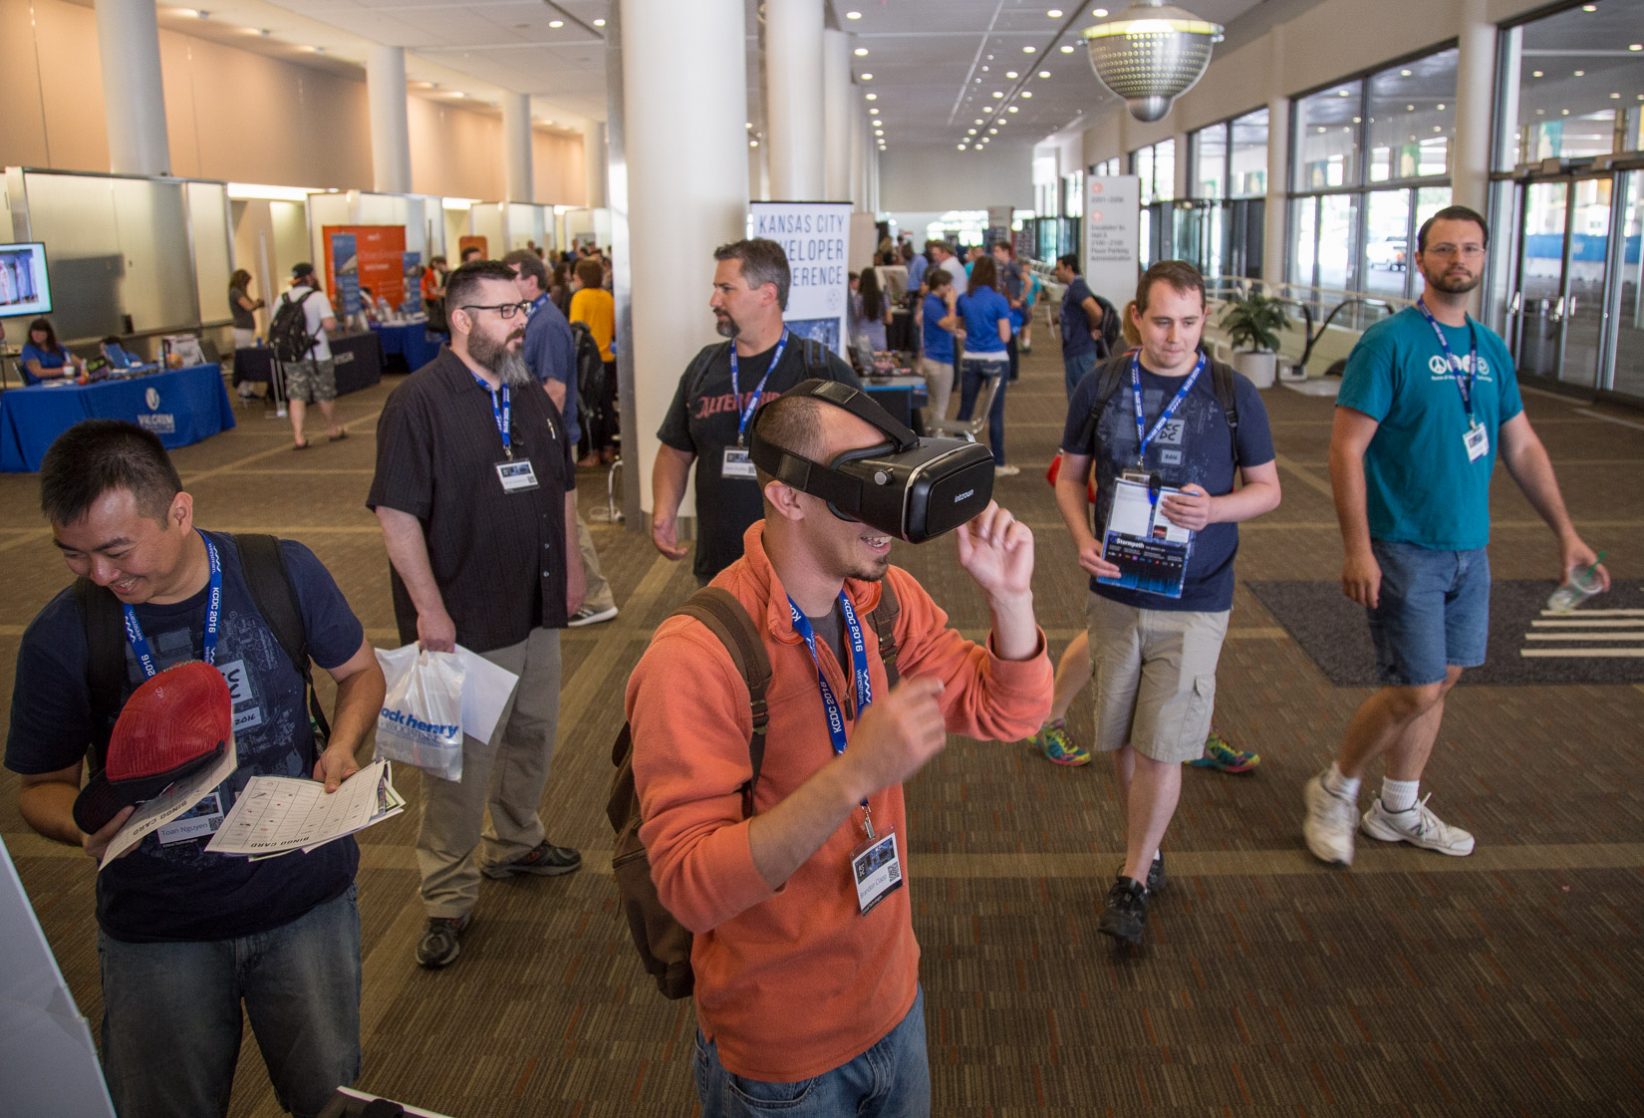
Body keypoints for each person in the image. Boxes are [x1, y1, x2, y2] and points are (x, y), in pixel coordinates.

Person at [627, 389, 1053, 1117]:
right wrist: (853, 773)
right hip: (781, 1055)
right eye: (862, 490)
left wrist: (1011, 599)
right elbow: (690, 885)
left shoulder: (882, 601)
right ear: (787, 497)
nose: (886, 518)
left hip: (893, 1000)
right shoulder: (696, 658)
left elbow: (1008, 711)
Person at [5, 419, 385, 1118]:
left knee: (327, 1096)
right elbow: (39, 789)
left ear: (179, 512)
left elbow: (359, 672)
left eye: (116, 551)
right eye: (74, 555)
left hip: (303, 904)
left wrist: (342, 744)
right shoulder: (63, 634)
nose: (100, 575)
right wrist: (81, 828)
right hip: (160, 927)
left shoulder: (278, 570)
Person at [1302, 206, 1608, 867]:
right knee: (1416, 687)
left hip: (1470, 548)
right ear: (1419, 259)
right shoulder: (1389, 343)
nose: (1458, 260)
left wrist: (1567, 534)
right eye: (1444, 249)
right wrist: (1357, 548)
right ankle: (1335, 787)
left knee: (1442, 677)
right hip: (1403, 545)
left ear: (1484, 258)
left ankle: (1397, 808)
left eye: (1470, 248)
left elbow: (1521, 446)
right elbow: (1345, 450)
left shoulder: (1489, 348)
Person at [1054, 260, 1281, 948]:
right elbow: (1069, 477)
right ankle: (1146, 851)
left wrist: (1215, 509)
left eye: (1188, 322)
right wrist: (1082, 537)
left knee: (1162, 746)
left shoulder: (1232, 394)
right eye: (1161, 321)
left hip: (1196, 596)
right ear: (1135, 317)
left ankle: (1131, 880)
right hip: (1117, 588)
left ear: (1205, 318)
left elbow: (1268, 489)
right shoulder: (1102, 385)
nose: (1175, 336)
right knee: (1125, 737)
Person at [368, 260, 587, 969]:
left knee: (533, 733)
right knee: (459, 767)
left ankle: (517, 840)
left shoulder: (527, 393)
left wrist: (573, 570)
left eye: (523, 309)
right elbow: (397, 514)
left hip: (536, 606)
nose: (522, 322)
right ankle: (447, 897)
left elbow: (562, 488)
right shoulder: (417, 403)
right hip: (463, 618)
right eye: (505, 312)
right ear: (462, 320)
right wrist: (429, 610)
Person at [651, 238, 860, 584]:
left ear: (767, 294)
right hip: (719, 568)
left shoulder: (820, 371)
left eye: (726, 289)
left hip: (802, 574)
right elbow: (675, 449)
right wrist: (664, 510)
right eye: (716, 288)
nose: (713, 300)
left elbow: (864, 467)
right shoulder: (704, 367)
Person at [503, 248, 621, 629]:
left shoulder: (547, 325)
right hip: (539, 436)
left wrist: (535, 440)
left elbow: (554, 391)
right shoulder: (531, 319)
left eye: (511, 277)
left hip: (547, 438)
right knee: (557, 516)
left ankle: (596, 596)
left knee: (565, 518)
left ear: (531, 281)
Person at [273, 263, 346, 450]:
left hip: (292, 354)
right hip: (318, 353)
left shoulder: (282, 298)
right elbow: (329, 325)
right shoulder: (317, 297)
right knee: (324, 392)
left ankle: (299, 436)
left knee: (296, 394)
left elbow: (274, 326)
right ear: (310, 277)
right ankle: (332, 428)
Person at [954, 256, 1016, 476]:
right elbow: (1005, 336)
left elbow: (959, 328)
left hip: (970, 358)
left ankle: (956, 459)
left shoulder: (963, 299)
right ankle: (999, 463)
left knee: (965, 409)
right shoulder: (999, 300)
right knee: (995, 414)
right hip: (995, 359)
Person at [568, 257, 619, 468]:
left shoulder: (580, 297)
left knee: (588, 409)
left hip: (588, 362)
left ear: (582, 278)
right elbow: (614, 329)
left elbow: (576, 329)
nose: (573, 279)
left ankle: (591, 452)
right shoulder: (608, 297)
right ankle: (608, 449)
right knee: (606, 407)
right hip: (608, 359)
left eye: (576, 276)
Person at [1053, 254, 1107, 400]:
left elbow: (1096, 311)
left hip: (1080, 350)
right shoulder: (1073, 289)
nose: (1056, 273)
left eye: (1058, 269)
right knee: (1078, 396)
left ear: (1069, 268)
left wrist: (1092, 327)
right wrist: (1056, 320)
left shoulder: (1077, 288)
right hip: (1075, 349)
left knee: (1080, 398)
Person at [919, 266, 962, 424]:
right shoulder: (932, 303)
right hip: (938, 359)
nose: (951, 289)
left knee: (936, 405)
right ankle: (937, 433)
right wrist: (952, 304)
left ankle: (934, 432)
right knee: (939, 405)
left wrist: (954, 330)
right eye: (948, 285)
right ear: (940, 285)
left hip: (939, 356)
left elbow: (949, 326)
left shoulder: (935, 302)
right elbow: (948, 323)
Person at [991, 241, 1025, 382]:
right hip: (1007, 306)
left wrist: (1020, 300)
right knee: (1008, 341)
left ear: (1006, 251)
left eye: (997, 251)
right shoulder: (1004, 268)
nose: (995, 254)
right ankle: (1010, 373)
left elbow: (1028, 282)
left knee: (1010, 341)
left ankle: (1012, 374)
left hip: (1012, 308)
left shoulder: (1013, 266)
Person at [19, 317, 86, 385]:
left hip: (62, 381)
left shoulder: (57, 346)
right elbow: (38, 372)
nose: (35, 334)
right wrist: (64, 370)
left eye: (39, 331)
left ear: (48, 333)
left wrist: (79, 367)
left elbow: (78, 362)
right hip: (42, 385)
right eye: (33, 331)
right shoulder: (28, 349)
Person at [229, 268, 265, 350]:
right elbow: (249, 307)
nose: (247, 286)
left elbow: (250, 306)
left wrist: (257, 304)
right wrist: (258, 303)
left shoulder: (238, 292)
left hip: (245, 328)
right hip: (242, 329)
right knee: (244, 351)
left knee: (244, 350)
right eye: (246, 283)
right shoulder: (235, 292)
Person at [421, 255, 449, 332]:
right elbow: (430, 285)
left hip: (432, 297)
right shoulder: (429, 272)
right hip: (432, 298)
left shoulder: (429, 271)